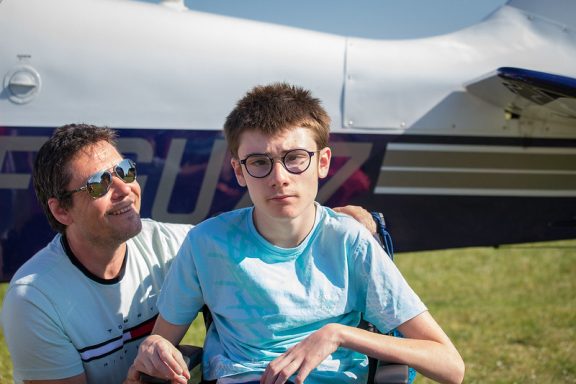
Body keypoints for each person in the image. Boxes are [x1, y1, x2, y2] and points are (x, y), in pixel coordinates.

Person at [129, 83, 465, 384]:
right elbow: (162, 341)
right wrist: (154, 350)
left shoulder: (349, 242)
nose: (279, 178)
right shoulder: (206, 243)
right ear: (238, 171)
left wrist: (338, 335)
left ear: (323, 162)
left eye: (295, 158)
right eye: (259, 162)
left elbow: (449, 365)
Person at [0, 123, 376, 384]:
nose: (124, 189)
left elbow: (255, 231)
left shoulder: (173, 244)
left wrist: (343, 218)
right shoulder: (35, 298)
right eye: (99, 183)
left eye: (125, 172)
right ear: (61, 210)